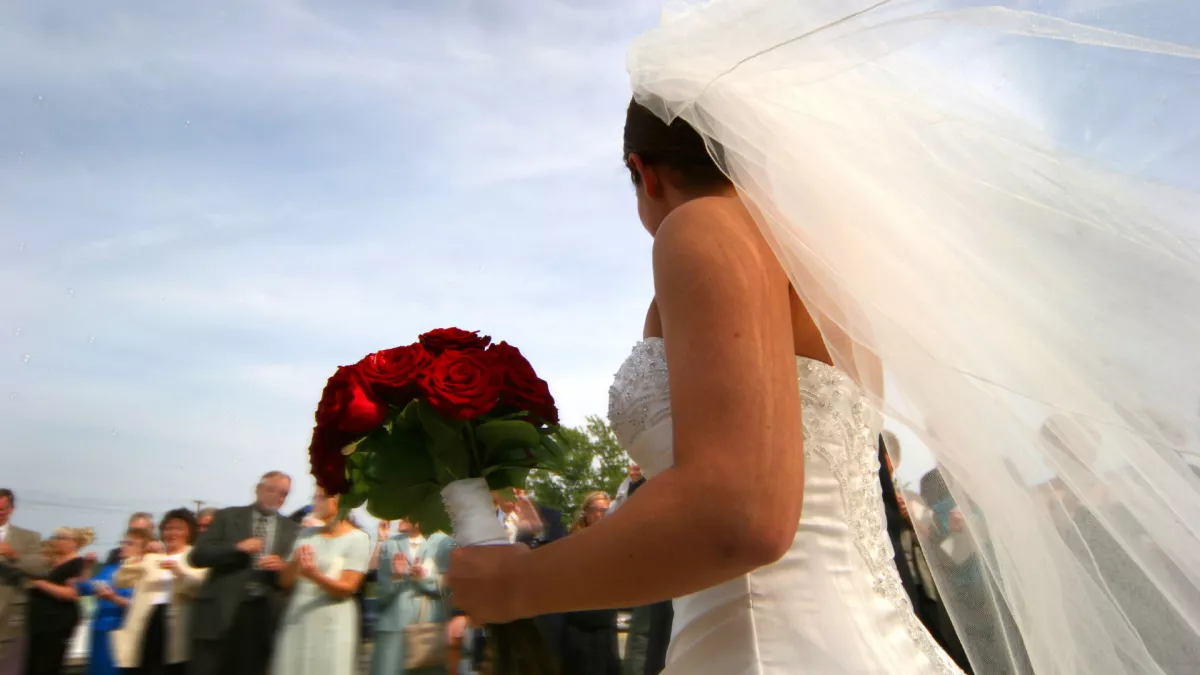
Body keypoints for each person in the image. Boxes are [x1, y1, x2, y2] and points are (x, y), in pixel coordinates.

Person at [187, 471, 299, 675]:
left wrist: (284, 566)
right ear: (258, 489)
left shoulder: (293, 529)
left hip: (263, 618)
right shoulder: (227, 517)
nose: (278, 497)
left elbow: (296, 576)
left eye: (284, 494)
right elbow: (197, 556)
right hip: (221, 614)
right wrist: (236, 547)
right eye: (273, 490)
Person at [270, 487, 369, 675]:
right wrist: (295, 565)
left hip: (333, 617)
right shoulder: (305, 534)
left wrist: (314, 575)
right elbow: (284, 582)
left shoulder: (358, 538)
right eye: (315, 497)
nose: (316, 502)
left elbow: (348, 587)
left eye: (321, 497)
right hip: (299, 613)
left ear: (340, 501)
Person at [113, 510, 207, 675]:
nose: (171, 533)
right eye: (168, 528)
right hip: (146, 619)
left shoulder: (196, 556)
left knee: (171, 667)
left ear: (189, 532)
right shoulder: (152, 558)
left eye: (178, 529)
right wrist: (138, 557)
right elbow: (121, 580)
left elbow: (198, 588)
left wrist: (179, 572)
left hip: (176, 622)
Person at [369, 519, 452, 675]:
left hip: (429, 628)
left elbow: (450, 587)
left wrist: (424, 578)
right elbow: (382, 595)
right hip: (394, 628)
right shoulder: (390, 545)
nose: (402, 517)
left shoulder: (445, 543)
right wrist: (396, 576)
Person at [557, 493, 619, 675]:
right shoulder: (573, 539)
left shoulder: (614, 539)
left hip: (605, 621)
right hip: (579, 620)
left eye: (604, 511)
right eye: (595, 510)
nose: (600, 515)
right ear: (586, 512)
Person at [27, 527, 93, 675]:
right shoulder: (51, 563)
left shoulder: (77, 565)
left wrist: (38, 583)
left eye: (60, 538)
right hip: (38, 623)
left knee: (47, 665)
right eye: (54, 537)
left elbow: (71, 593)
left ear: (73, 542)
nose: (54, 541)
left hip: (56, 622)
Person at [77, 529, 142, 675]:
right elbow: (84, 587)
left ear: (141, 550)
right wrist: (87, 567)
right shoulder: (110, 568)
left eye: (129, 544)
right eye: (123, 542)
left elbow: (138, 605)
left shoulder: (141, 572)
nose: (123, 546)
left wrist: (113, 598)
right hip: (100, 628)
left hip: (122, 630)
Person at [0, 490, 47, 675]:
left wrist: (14, 556)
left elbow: (40, 569)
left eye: (2, 509)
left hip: (11, 618)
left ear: (11, 509)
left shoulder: (28, 537)